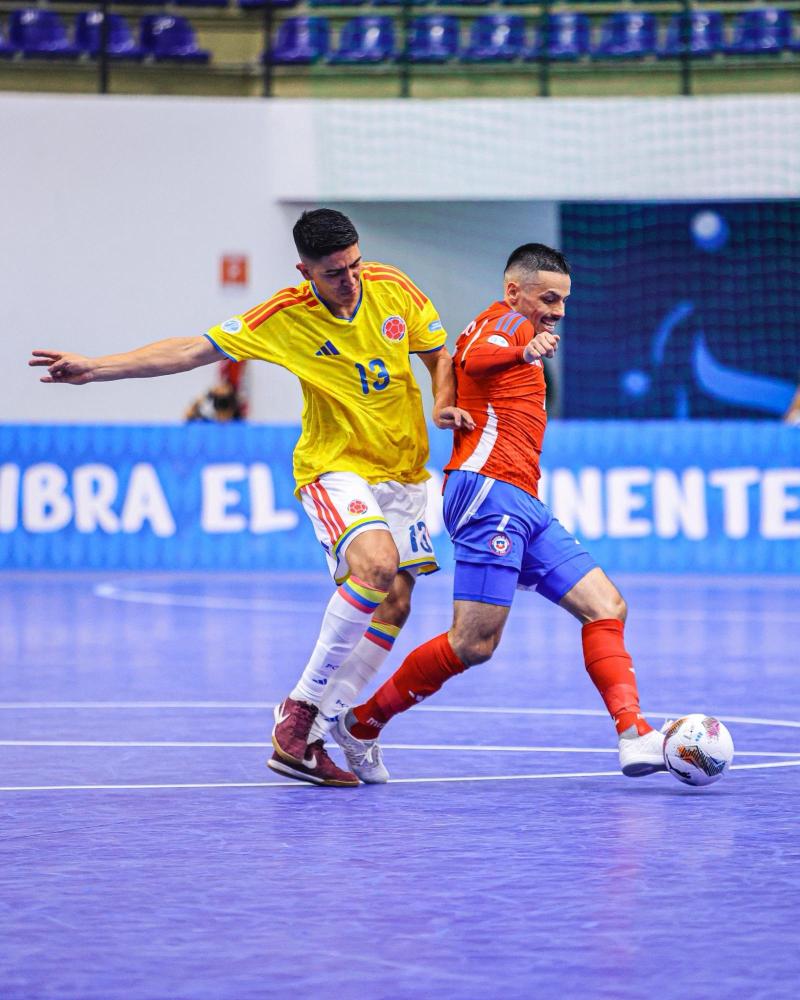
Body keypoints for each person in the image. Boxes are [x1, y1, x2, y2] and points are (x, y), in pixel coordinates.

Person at [29, 208, 473, 787]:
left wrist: (442, 402)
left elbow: (438, 353)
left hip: (405, 471)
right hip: (334, 466)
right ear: (305, 271)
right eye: (335, 272)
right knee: (376, 566)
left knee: (396, 603)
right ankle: (299, 709)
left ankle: (318, 728)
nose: (351, 279)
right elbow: (193, 349)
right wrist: (99, 366)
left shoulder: (393, 288)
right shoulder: (285, 316)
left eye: (355, 265)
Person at [335, 243, 666, 784]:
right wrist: (524, 351)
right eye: (548, 298)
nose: (558, 311)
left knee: (606, 604)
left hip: (522, 501)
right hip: (489, 494)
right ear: (515, 291)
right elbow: (475, 358)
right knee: (473, 643)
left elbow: (453, 366)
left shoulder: (515, 326)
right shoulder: (504, 324)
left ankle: (633, 734)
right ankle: (361, 724)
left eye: (563, 302)